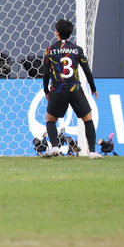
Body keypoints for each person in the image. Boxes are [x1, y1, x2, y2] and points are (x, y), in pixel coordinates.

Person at [42, 19, 101, 159]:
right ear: (69, 34)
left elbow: (46, 73)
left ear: (57, 32)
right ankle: (92, 151)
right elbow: (87, 71)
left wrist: (46, 91)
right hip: (75, 88)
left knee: (50, 120)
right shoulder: (77, 50)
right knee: (87, 118)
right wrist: (93, 88)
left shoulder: (49, 50)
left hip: (57, 90)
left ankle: (55, 147)